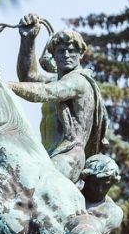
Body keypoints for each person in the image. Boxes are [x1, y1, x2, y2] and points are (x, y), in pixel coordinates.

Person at [7, 14, 109, 182]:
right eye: (61, 51)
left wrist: (5, 85)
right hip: (46, 154)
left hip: (69, 155)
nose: (66, 55)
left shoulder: (78, 81)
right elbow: (29, 77)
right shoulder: (56, 79)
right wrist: (28, 40)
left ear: (81, 54)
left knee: (37, 187)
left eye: (72, 51)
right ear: (54, 55)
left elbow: (46, 92)